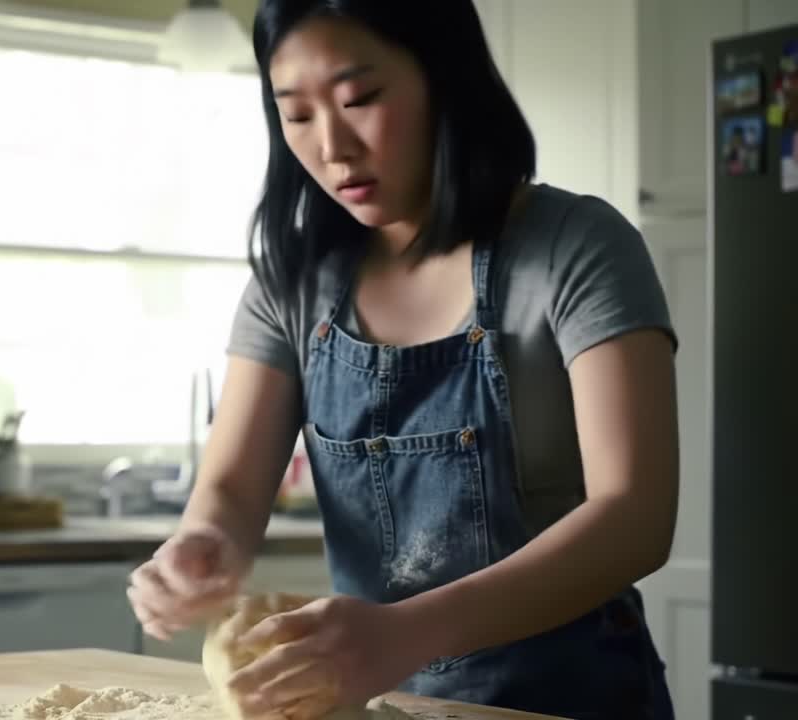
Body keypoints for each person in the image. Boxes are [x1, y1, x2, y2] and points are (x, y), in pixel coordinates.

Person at [125, 1, 680, 719]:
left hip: (573, 700)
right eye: (296, 114)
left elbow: (634, 516)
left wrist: (405, 634)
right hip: (381, 704)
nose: (332, 146)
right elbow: (230, 491)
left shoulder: (575, 248)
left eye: (360, 99)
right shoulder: (292, 285)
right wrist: (202, 546)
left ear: (444, 82)